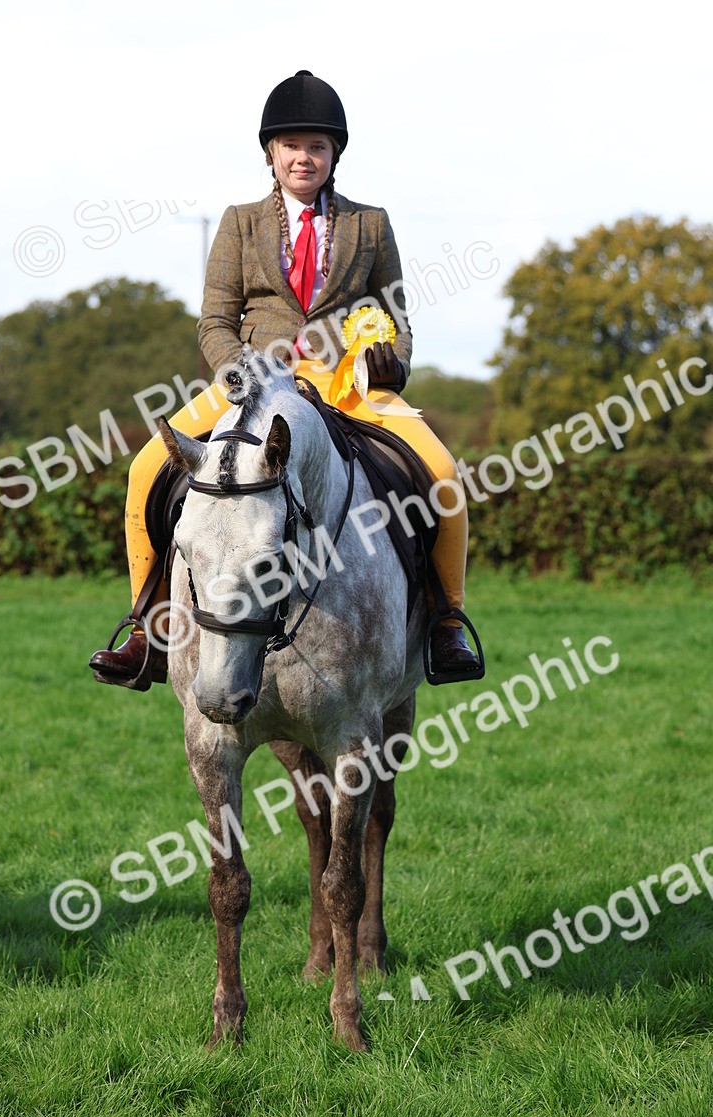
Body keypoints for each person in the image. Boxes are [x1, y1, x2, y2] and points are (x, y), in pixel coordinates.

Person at [90, 70, 481, 689]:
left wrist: (391, 363)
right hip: (255, 381)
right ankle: (149, 628)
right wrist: (238, 369)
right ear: (272, 154)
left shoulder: (370, 224)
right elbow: (216, 322)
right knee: (144, 469)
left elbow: (399, 322)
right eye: (293, 145)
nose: (305, 156)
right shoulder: (239, 222)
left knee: (441, 471)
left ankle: (446, 621)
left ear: (333, 156)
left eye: (318, 147)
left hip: (347, 381)